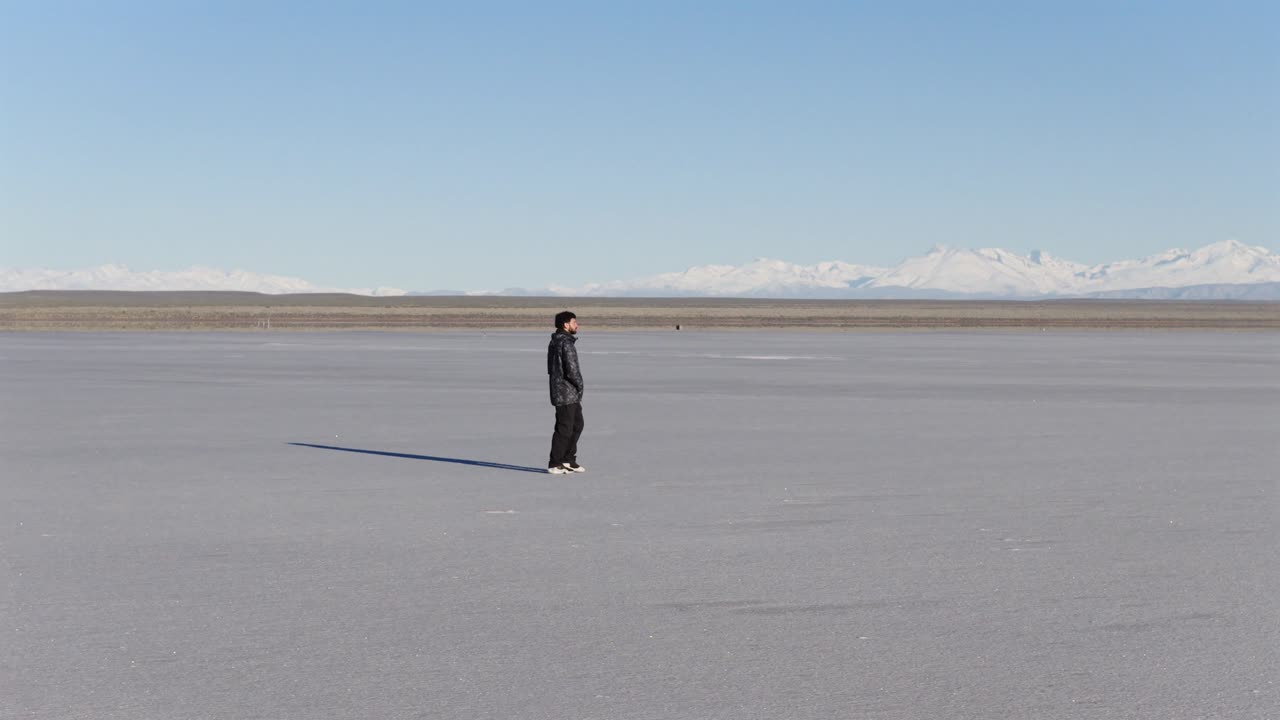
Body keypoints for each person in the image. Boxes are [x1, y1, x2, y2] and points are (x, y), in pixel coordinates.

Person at [547, 311, 586, 474]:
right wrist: (579, 385)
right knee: (565, 428)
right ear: (566, 324)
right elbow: (572, 370)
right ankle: (555, 463)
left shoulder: (556, 341)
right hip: (566, 392)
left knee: (577, 425)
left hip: (563, 390)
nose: (577, 325)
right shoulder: (565, 343)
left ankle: (568, 459)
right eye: (574, 322)